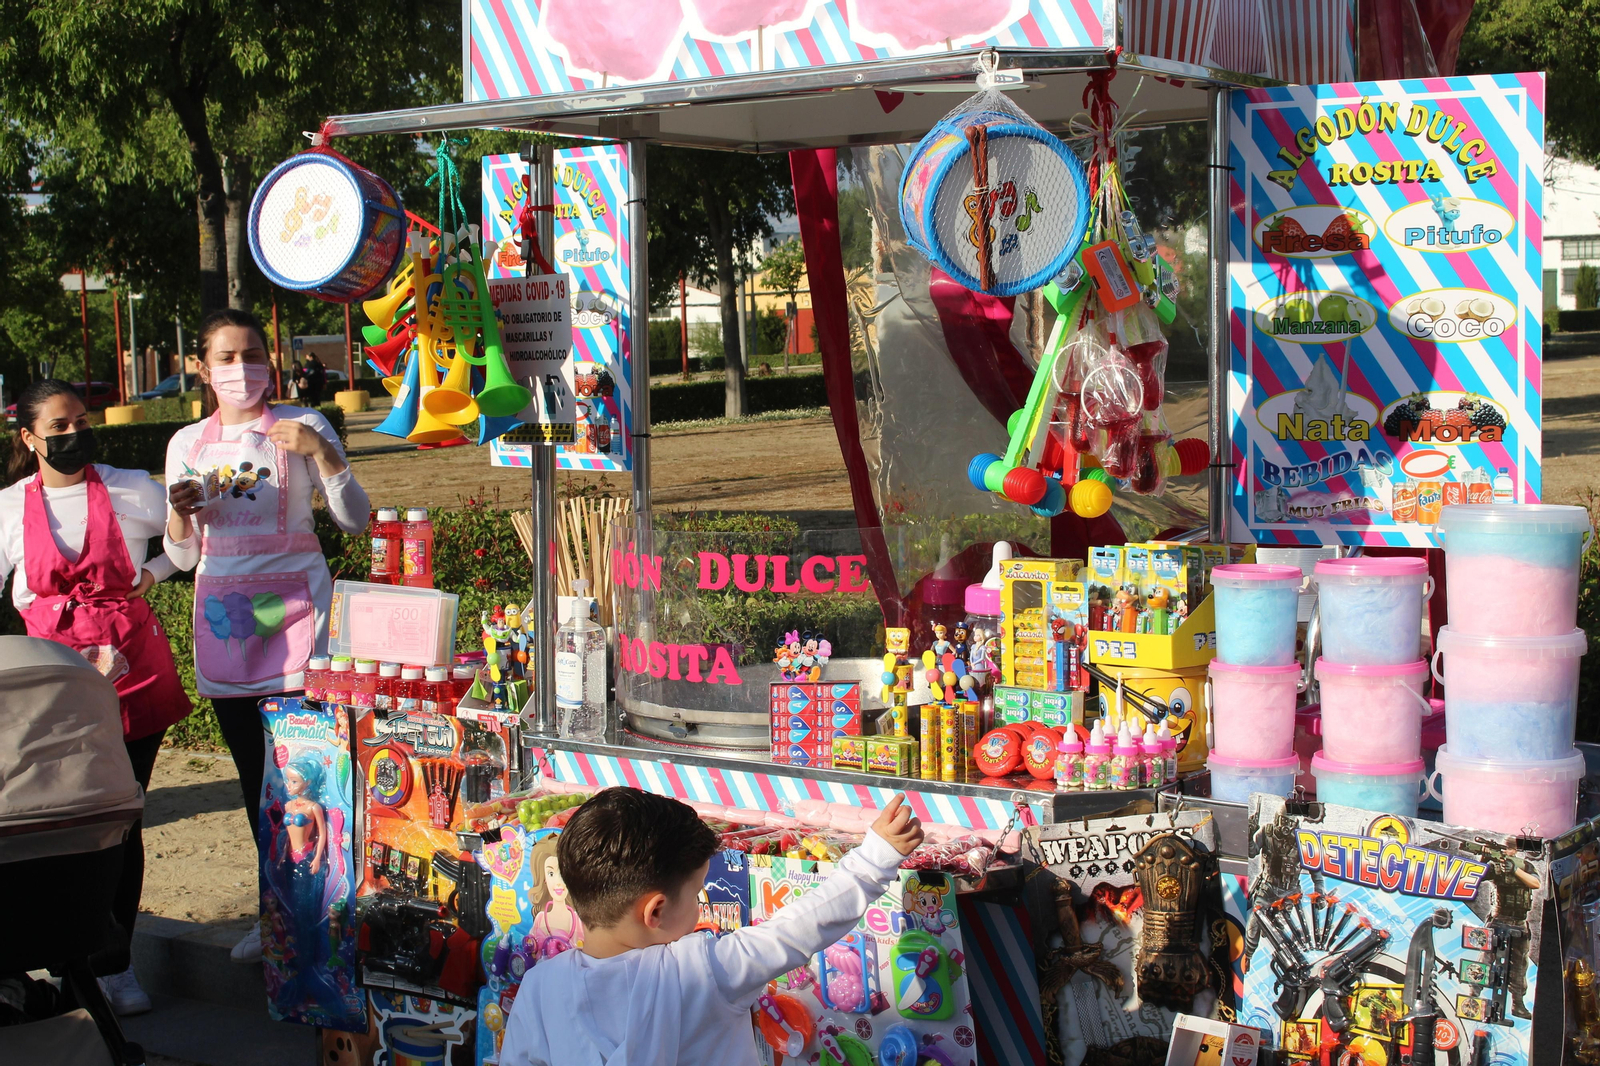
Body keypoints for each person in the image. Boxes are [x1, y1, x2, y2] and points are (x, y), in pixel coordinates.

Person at [164, 309, 370, 963]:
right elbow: (177, 557)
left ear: (270, 360)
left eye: (251, 354)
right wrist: (179, 511)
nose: (240, 368)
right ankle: (278, 915)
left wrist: (327, 456)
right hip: (227, 631)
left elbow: (355, 521)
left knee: (312, 778)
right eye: (225, 357)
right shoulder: (186, 445)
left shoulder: (302, 426)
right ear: (200, 366)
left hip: (299, 624)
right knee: (256, 778)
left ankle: (333, 916)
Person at [0, 378, 192, 1016]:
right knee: (63, 822)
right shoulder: (7, 508)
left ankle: (116, 964)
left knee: (120, 818)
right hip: (52, 690)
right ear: (29, 439)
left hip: (132, 674)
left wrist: (150, 574)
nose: (74, 433)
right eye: (57, 427)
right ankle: (68, 959)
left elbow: (186, 545)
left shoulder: (129, 486)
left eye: (81, 420)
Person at [497, 788, 924, 1066]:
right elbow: (800, 929)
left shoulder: (539, 988)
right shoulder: (702, 971)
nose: (701, 901)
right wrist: (873, 860)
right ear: (656, 912)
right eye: (697, 891)